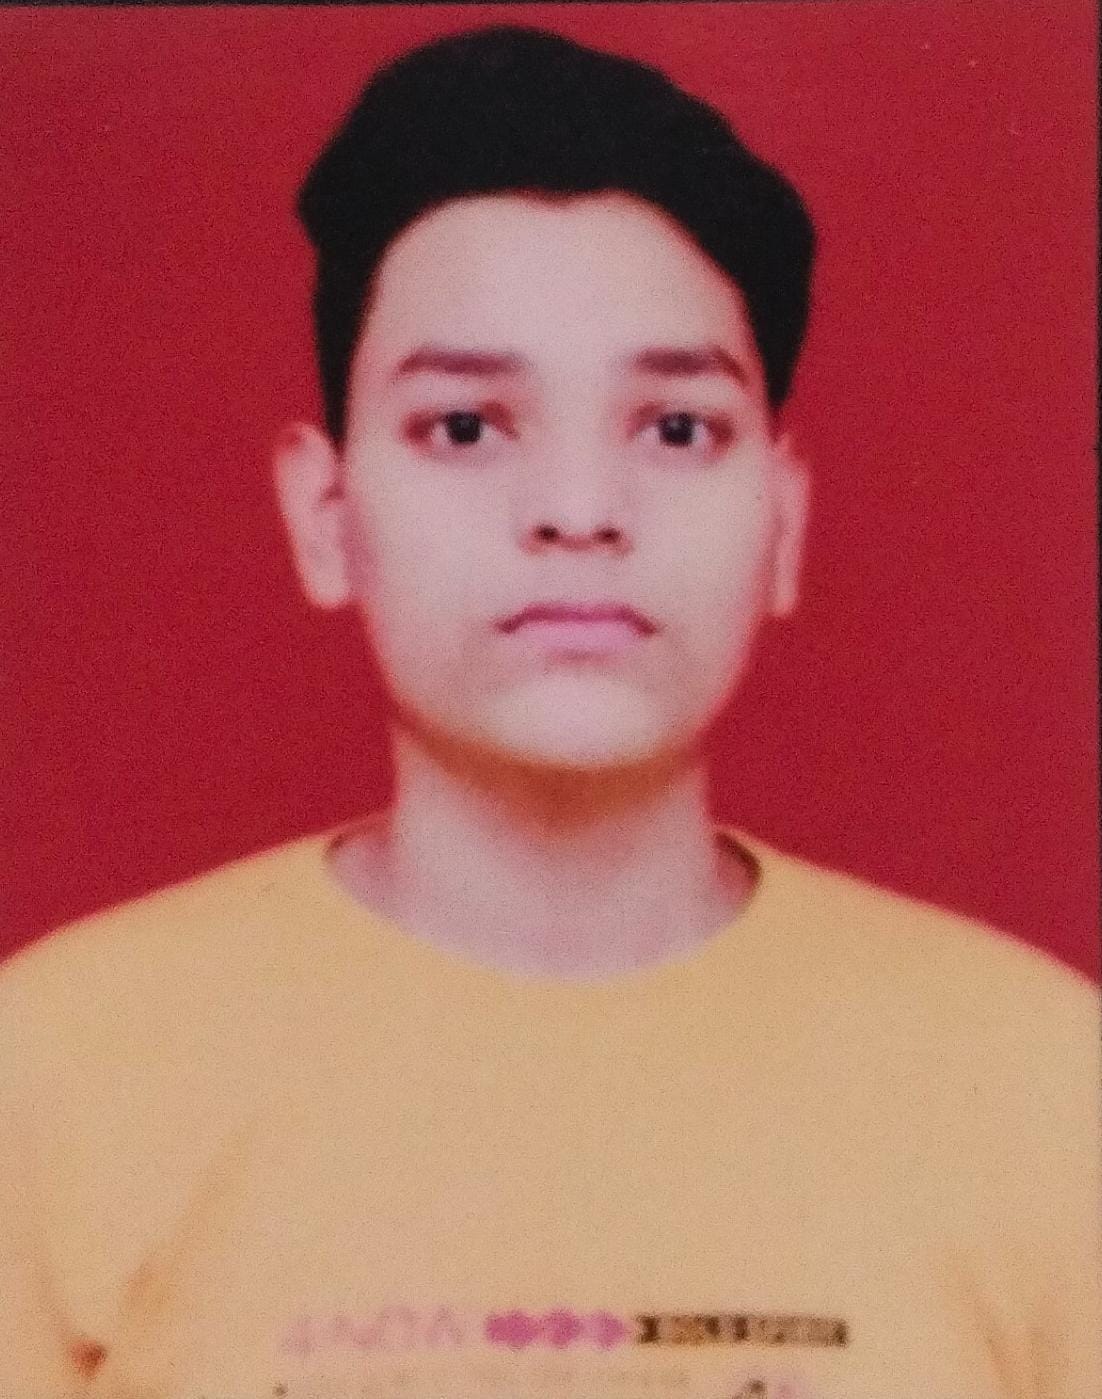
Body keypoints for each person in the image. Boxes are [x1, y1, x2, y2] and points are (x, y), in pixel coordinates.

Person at [1, 25, 1097, 1399]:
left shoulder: (1042, 1084)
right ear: (326, 515)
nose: (579, 512)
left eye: (676, 428)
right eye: (466, 426)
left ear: (783, 520)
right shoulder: (54, 1072)